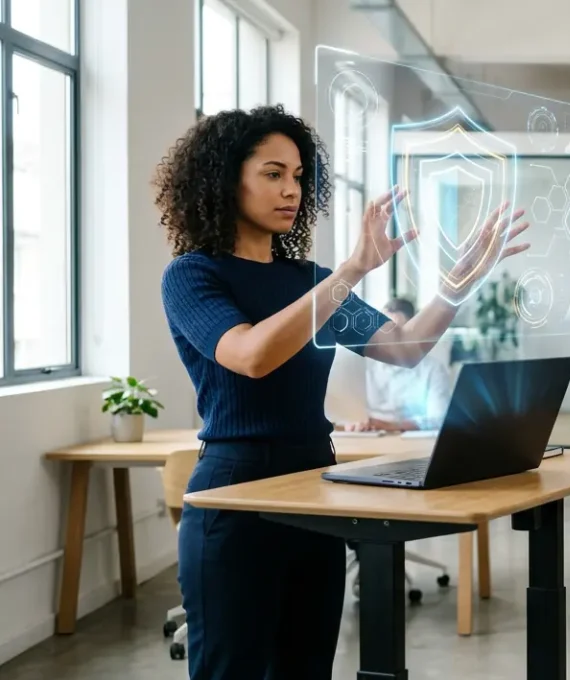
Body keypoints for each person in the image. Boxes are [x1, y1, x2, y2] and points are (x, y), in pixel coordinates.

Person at [157, 105, 530, 679]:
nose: (292, 190)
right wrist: (352, 270)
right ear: (226, 179)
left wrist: (461, 282)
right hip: (235, 493)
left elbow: (402, 348)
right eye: (273, 174)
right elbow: (251, 356)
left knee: (307, 669)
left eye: (299, 176)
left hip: (315, 490)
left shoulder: (309, 281)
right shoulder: (192, 275)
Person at [343, 297, 453, 432]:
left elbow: (438, 419)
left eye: (398, 332)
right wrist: (353, 422)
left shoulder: (432, 369)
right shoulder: (362, 366)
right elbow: (345, 413)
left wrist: (392, 426)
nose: (389, 339)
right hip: (368, 434)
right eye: (384, 331)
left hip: (411, 437)